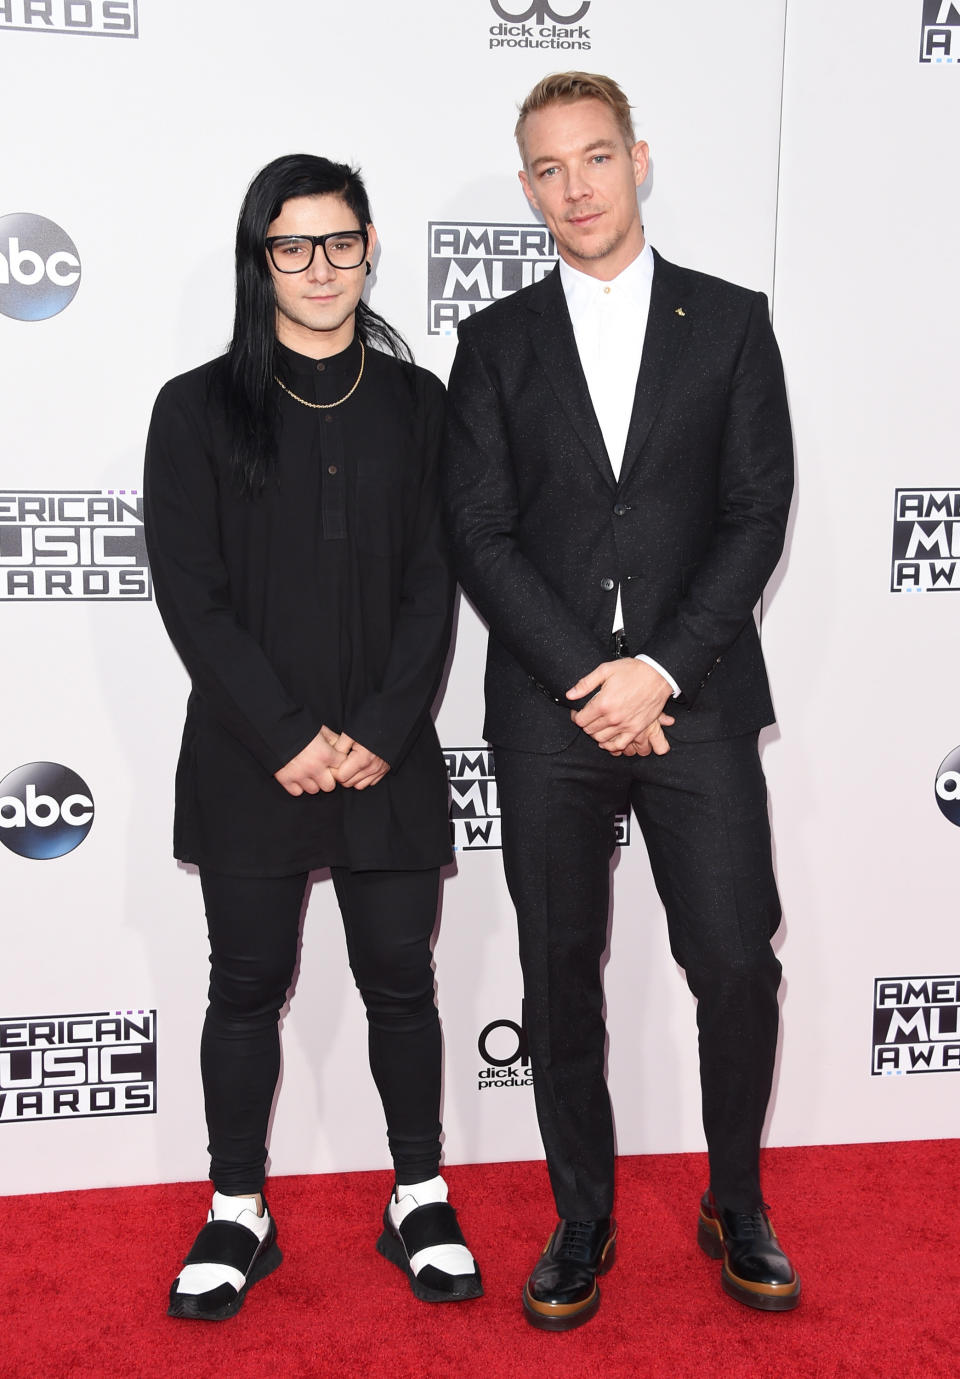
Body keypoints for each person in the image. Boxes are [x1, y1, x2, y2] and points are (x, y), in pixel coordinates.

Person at [443, 72, 799, 1329]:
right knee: (556, 977)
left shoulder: (734, 324)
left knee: (735, 962)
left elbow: (759, 511)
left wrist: (662, 669)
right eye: (548, 167)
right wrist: (592, 679)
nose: (575, 186)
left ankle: (737, 1198)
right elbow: (479, 533)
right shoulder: (490, 344)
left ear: (640, 160)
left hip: (692, 701)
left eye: (596, 157)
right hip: (551, 711)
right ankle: (580, 1216)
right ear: (529, 184)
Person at [144, 153, 481, 1321]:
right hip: (249, 753)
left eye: (340, 242)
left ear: (372, 245)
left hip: (390, 747)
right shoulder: (193, 406)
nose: (320, 267)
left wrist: (383, 727)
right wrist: (285, 732)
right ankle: (239, 1206)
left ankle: (418, 1191)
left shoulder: (422, 403)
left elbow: (437, 581)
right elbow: (189, 593)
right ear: (261, 258)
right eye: (292, 246)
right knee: (245, 983)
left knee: (403, 975)